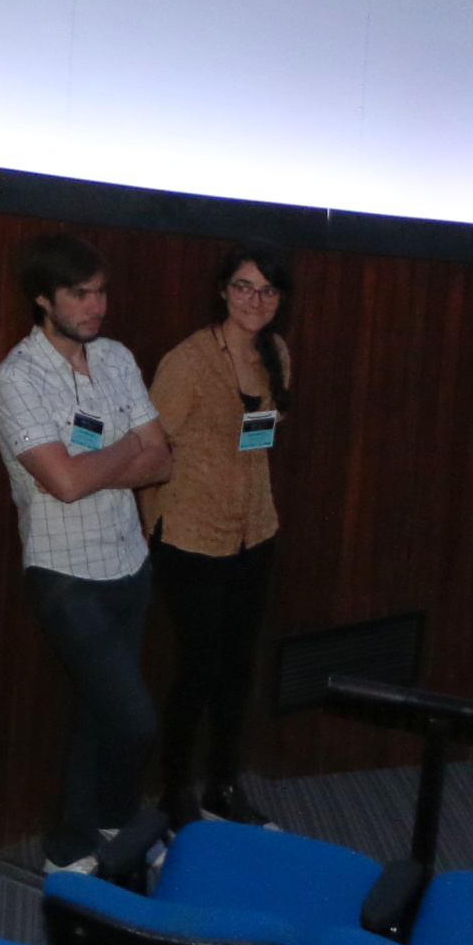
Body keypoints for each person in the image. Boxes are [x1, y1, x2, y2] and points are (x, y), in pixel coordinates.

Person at [0, 231, 173, 874]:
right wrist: (124, 448)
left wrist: (93, 464)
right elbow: (64, 483)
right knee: (133, 717)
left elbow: (164, 459)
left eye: (101, 292)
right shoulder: (16, 379)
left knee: (100, 709)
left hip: (129, 562)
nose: (97, 307)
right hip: (64, 573)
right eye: (80, 295)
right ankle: (105, 825)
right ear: (44, 299)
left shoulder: (117, 357)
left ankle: (79, 839)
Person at [145, 241, 295, 827]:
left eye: (268, 290)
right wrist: (150, 527)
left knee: (239, 666)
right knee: (198, 665)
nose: (255, 300)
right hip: (191, 534)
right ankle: (176, 792)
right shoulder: (187, 363)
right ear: (222, 291)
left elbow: (265, 435)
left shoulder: (276, 353)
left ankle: (223, 787)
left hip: (254, 530)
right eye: (243, 287)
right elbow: (151, 448)